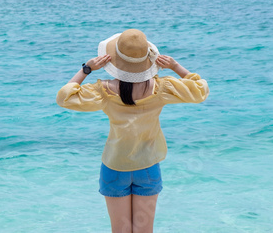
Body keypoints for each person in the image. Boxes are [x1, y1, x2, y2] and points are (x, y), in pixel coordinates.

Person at [56, 29, 209, 233]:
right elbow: (200, 90)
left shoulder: (104, 91)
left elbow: (64, 97)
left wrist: (87, 69)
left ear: (114, 61)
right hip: (147, 166)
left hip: (115, 165)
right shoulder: (161, 88)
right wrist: (175, 66)